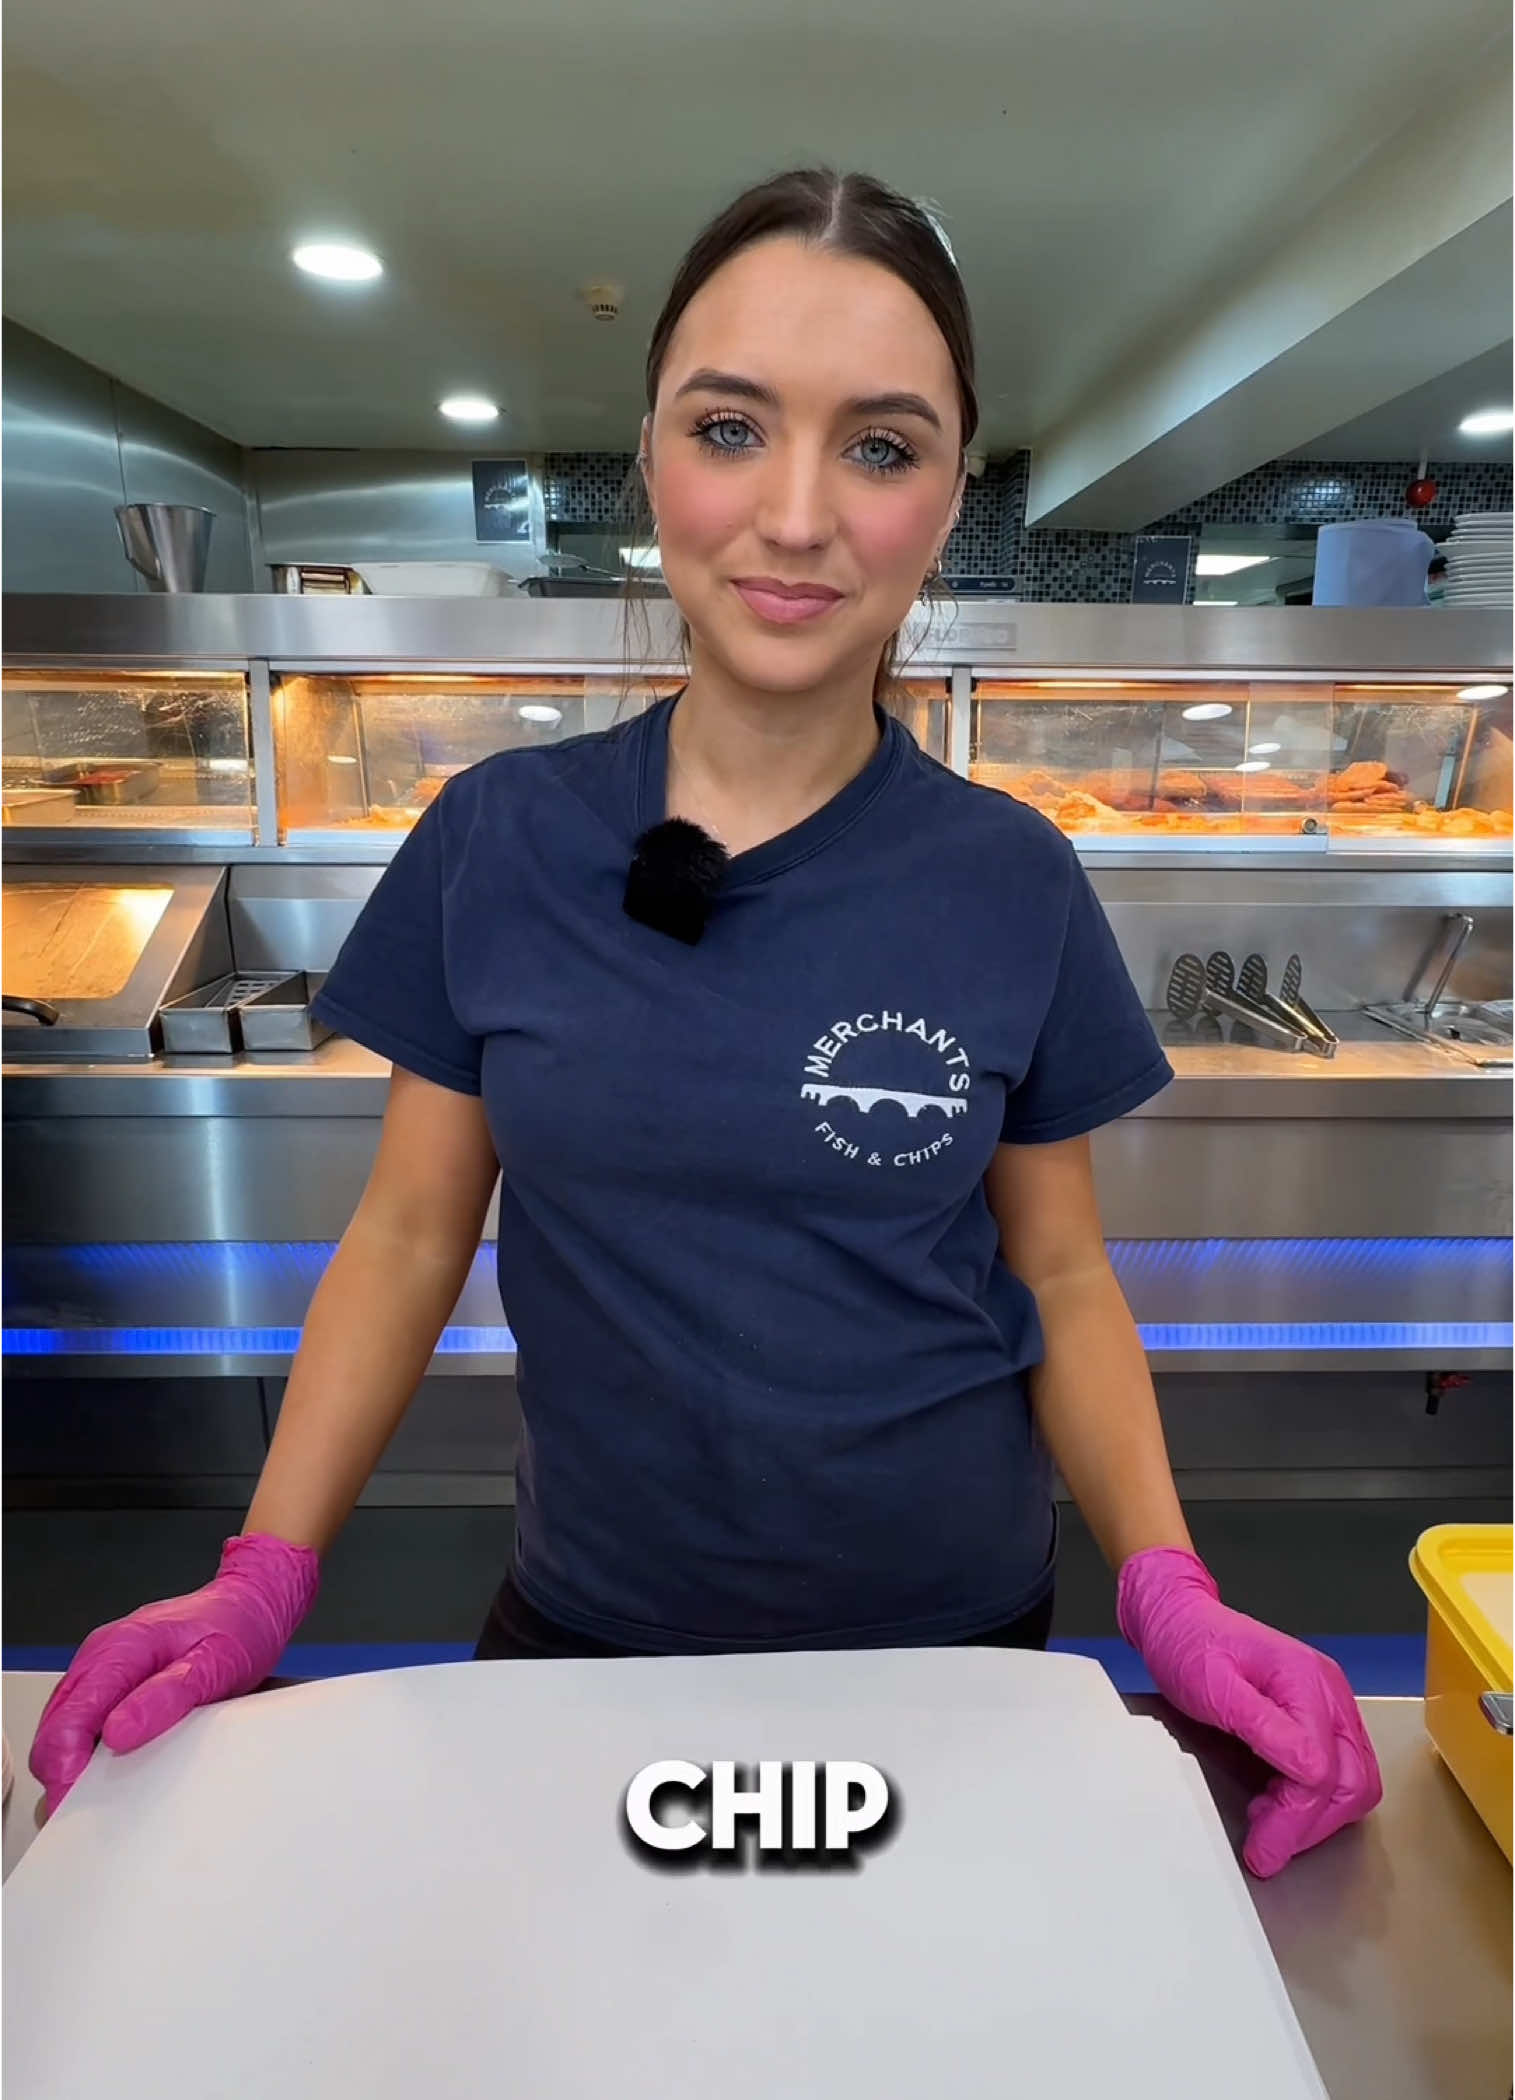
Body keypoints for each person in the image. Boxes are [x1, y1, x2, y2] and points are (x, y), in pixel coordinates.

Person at [31, 168, 1379, 1879]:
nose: (798, 517)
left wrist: (1169, 1585)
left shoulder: (1010, 879)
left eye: (881, 447)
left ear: (950, 490)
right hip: (592, 1636)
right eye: (732, 427)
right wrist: (263, 1575)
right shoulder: (498, 840)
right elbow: (409, 1230)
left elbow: (1059, 1272)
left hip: (948, 1656)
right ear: (655, 454)